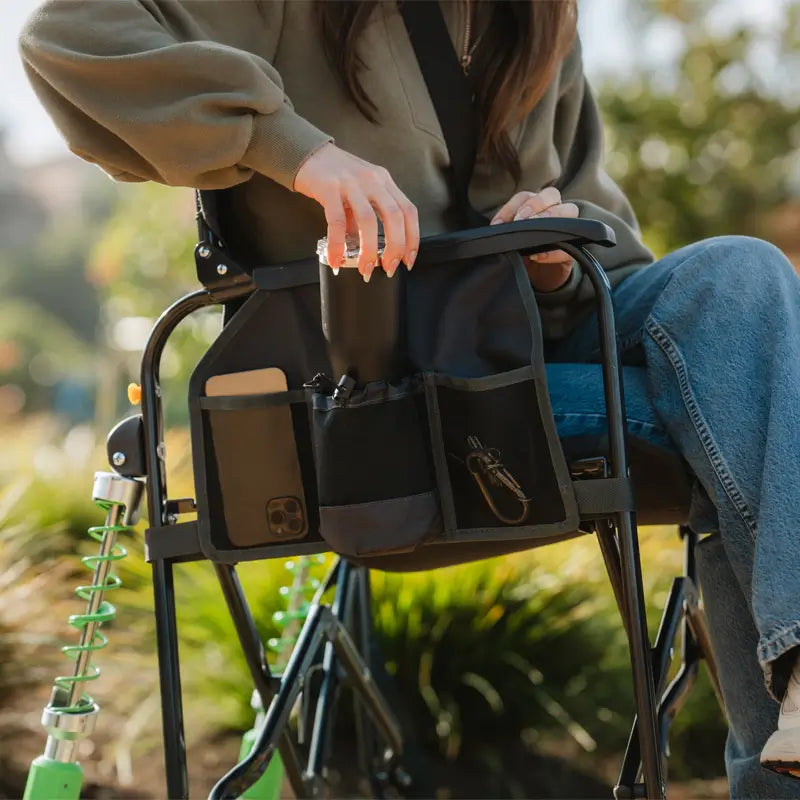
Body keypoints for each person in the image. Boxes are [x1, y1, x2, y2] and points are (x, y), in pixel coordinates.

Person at [17, 0, 800, 796]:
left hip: (527, 374)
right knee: (750, 428)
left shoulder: (537, 24)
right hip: (370, 413)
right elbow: (68, 35)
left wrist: (555, 254)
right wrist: (298, 152)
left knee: (744, 275)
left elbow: (618, 273)